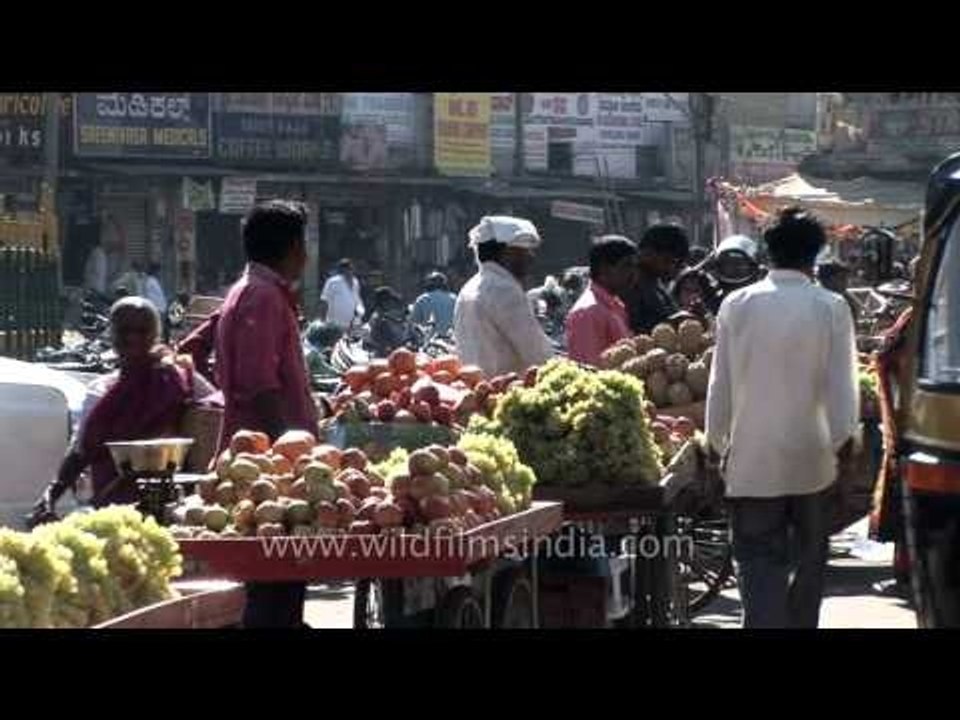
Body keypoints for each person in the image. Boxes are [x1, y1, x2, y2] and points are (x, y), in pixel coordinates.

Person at [705, 207, 859, 629]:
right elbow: (843, 389)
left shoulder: (737, 304)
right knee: (810, 562)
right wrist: (845, 447)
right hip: (813, 459)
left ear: (767, 252)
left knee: (757, 562)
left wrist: (716, 445)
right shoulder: (831, 307)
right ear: (816, 254)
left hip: (752, 462)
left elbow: (721, 386)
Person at [215, 200, 318, 629]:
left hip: (261, 463)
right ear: (293, 247)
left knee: (280, 587)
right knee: (273, 588)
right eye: (304, 244)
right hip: (265, 468)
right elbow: (259, 384)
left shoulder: (253, 292)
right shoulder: (261, 297)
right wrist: (291, 457)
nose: (306, 255)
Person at [29, 297, 216, 524]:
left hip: (172, 509)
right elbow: (81, 450)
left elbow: (214, 413)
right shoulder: (100, 390)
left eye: (141, 330)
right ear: (112, 334)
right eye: (125, 330)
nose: (132, 338)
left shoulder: (176, 378)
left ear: (155, 334)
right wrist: (51, 495)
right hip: (113, 508)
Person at [453, 216, 553, 377]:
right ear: (508, 253)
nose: (530, 257)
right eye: (524, 251)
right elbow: (538, 354)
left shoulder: (468, 288)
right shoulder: (505, 290)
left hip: (475, 388)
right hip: (506, 391)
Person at [565, 235, 638, 367]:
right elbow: (588, 370)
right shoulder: (588, 312)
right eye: (626, 266)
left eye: (634, 266)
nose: (633, 274)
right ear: (604, 268)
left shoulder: (614, 305)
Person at [620, 224, 689, 334]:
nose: (674, 269)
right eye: (668, 261)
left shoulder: (656, 282)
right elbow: (629, 328)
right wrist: (670, 323)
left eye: (679, 264)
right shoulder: (629, 283)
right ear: (647, 253)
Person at [319, 258, 364, 330]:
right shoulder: (333, 282)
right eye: (347, 269)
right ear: (341, 270)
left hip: (350, 326)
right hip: (333, 325)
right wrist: (323, 322)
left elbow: (357, 300)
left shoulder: (355, 282)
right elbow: (324, 301)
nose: (349, 271)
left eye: (350, 269)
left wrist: (360, 315)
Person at [368, 286, 411, 356]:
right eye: (386, 301)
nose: (390, 303)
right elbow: (373, 337)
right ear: (381, 303)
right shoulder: (377, 318)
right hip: (385, 354)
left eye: (391, 300)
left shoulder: (400, 314)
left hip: (403, 351)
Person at [410, 271, 456, 336]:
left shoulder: (422, 299)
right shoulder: (454, 298)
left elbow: (414, 324)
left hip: (429, 340)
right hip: (451, 339)